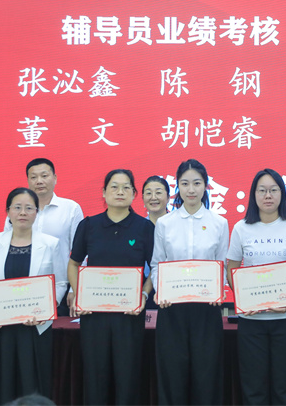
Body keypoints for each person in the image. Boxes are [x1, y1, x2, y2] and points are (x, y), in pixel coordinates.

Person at [67, 169, 154, 405]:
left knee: (128, 377)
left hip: (129, 315)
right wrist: (79, 295)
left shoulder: (145, 228)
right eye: (114, 187)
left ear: (134, 194)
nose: (120, 192)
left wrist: (144, 294)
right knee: (95, 378)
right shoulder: (89, 225)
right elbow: (73, 264)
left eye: (126, 187)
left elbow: (155, 268)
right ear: (104, 192)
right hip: (94, 315)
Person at [0, 188, 68, 404]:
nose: (23, 213)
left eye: (29, 208)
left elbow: (61, 282)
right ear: (8, 211)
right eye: (17, 207)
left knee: (32, 384)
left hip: (35, 326)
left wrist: (46, 310)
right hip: (0, 327)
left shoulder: (51, 243)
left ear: (37, 212)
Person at [226, 168, 286, 405]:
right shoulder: (241, 228)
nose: (268, 195)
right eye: (262, 190)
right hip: (252, 321)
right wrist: (243, 298)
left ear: (282, 193)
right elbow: (231, 269)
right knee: (254, 387)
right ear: (254, 195)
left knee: (285, 387)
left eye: (273, 190)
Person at [151, 160, 229, 405]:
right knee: (172, 377)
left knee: (207, 377)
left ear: (205, 186)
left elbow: (221, 264)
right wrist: (160, 291)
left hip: (207, 310)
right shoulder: (165, 223)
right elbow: (157, 264)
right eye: (185, 184)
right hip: (172, 310)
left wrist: (218, 290)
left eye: (197, 183)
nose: (191, 189)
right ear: (178, 187)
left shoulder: (219, 223)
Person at [4, 158, 84, 316]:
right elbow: (6, 248)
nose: (39, 181)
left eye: (44, 176)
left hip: (60, 285)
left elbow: (81, 253)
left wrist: (75, 289)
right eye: (33, 177)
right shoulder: (18, 211)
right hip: (22, 286)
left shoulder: (71, 208)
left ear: (55, 178)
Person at [142, 175, 171, 310]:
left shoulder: (178, 226)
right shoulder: (138, 227)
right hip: (141, 290)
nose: (153, 197)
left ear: (168, 197)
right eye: (148, 193)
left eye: (158, 193)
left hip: (172, 286)